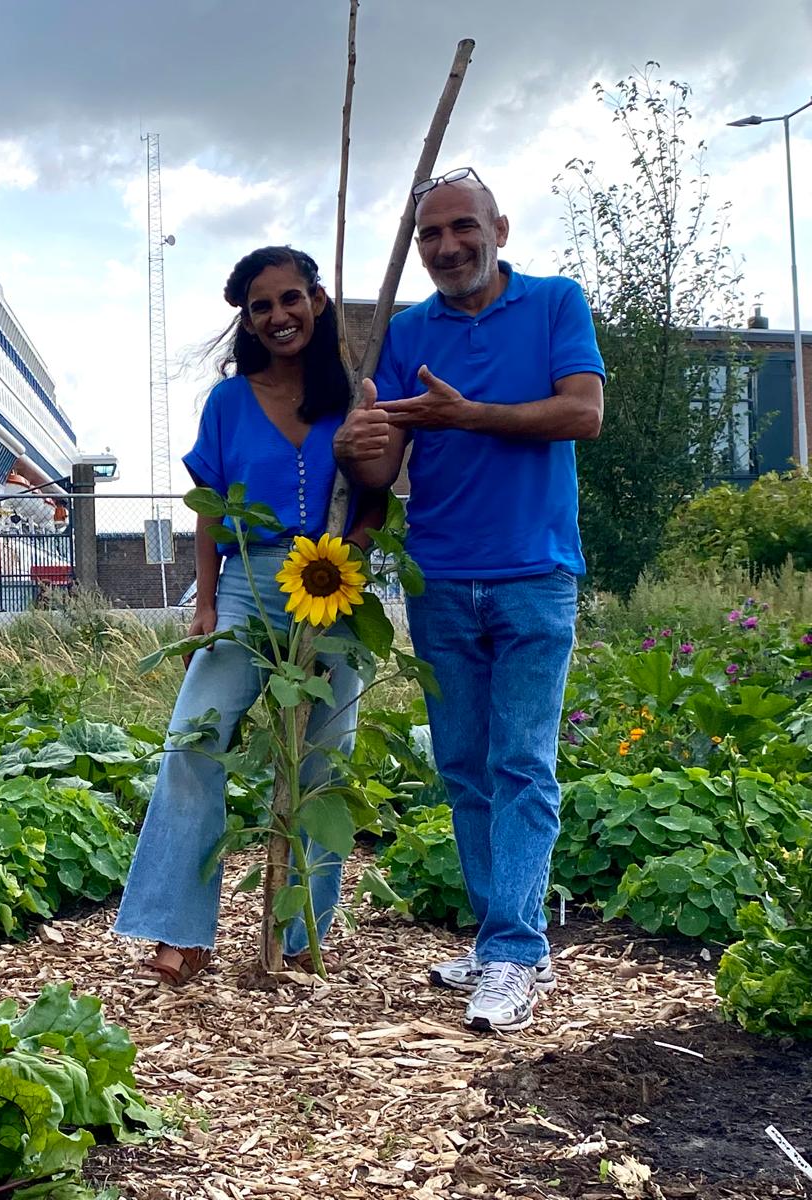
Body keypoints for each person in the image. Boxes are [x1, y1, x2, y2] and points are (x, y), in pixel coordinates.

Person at [334, 169, 604, 1032]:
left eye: (463, 227)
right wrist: (358, 441)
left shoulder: (556, 303)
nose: (447, 246)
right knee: (461, 766)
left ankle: (515, 952)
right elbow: (383, 467)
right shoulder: (407, 331)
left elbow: (583, 414)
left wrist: (470, 414)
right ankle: (501, 939)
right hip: (441, 576)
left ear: (500, 229)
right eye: (431, 234)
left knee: (522, 763)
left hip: (533, 571)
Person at [114, 245, 370, 985]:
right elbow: (209, 508)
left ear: (317, 301)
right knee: (194, 741)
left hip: (335, 583)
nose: (278, 315)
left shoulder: (353, 393)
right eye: (261, 307)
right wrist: (203, 603)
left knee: (324, 760)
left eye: (290, 298)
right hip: (248, 584)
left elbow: (375, 497)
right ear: (248, 321)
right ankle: (179, 929)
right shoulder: (229, 401)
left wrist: (347, 559)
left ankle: (302, 932)